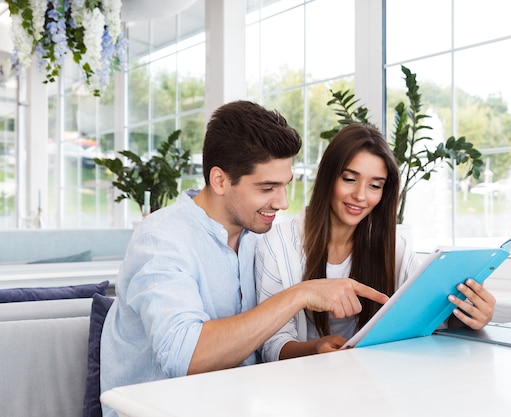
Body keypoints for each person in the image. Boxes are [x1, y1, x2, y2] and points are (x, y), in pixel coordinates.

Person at [100, 101, 389, 416]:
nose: (281, 202)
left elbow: (268, 344)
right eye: (268, 187)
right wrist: (301, 293)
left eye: (284, 186)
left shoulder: (257, 238)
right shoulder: (161, 239)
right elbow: (186, 358)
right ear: (220, 180)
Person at [255, 123, 496, 362]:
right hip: (303, 383)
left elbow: (430, 318)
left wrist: (471, 314)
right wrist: (315, 348)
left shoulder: (394, 247)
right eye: (349, 179)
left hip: (376, 378)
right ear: (328, 177)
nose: (360, 196)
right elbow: (270, 342)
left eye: (374, 186)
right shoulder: (279, 244)